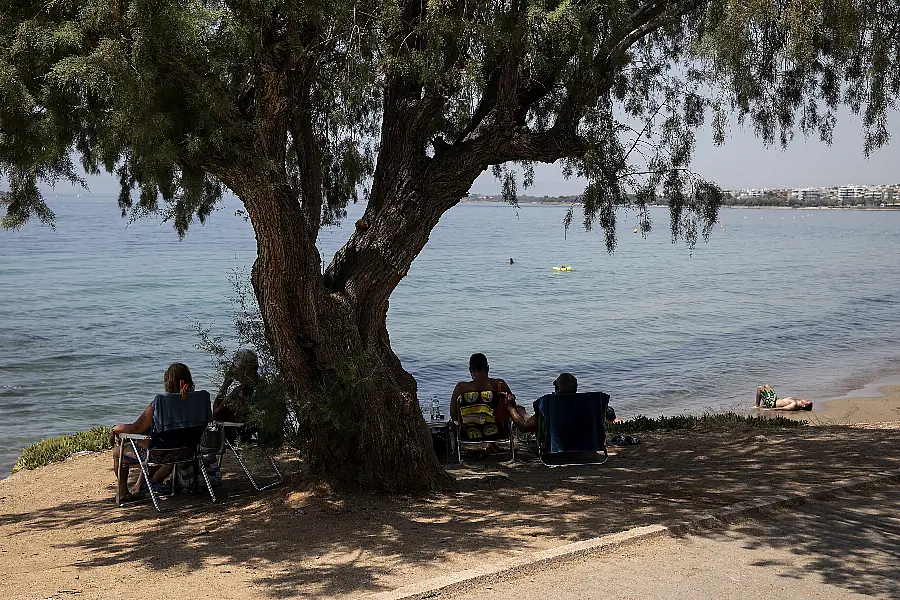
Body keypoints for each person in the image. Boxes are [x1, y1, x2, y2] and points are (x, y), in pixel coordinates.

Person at [110, 362, 195, 502]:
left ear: (167, 380)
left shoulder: (161, 403)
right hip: (188, 452)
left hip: (161, 456)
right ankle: (139, 486)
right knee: (149, 444)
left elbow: (134, 429)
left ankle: (123, 493)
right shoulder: (196, 402)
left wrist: (115, 428)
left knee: (118, 452)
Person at [450, 353, 513, 438]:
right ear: (487, 368)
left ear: (470, 370)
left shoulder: (460, 388)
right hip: (499, 432)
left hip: (468, 434)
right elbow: (512, 407)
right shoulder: (500, 385)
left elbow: (454, 416)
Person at [504, 372, 578, 433]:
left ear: (558, 390)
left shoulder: (550, 405)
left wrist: (511, 408)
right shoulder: (584, 405)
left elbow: (525, 427)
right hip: (583, 447)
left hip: (555, 448)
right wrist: (524, 414)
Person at [213, 349, 259, 431]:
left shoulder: (241, 391)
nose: (233, 371)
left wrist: (226, 384)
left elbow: (216, 415)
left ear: (243, 369)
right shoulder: (264, 386)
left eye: (235, 367)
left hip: (241, 434)